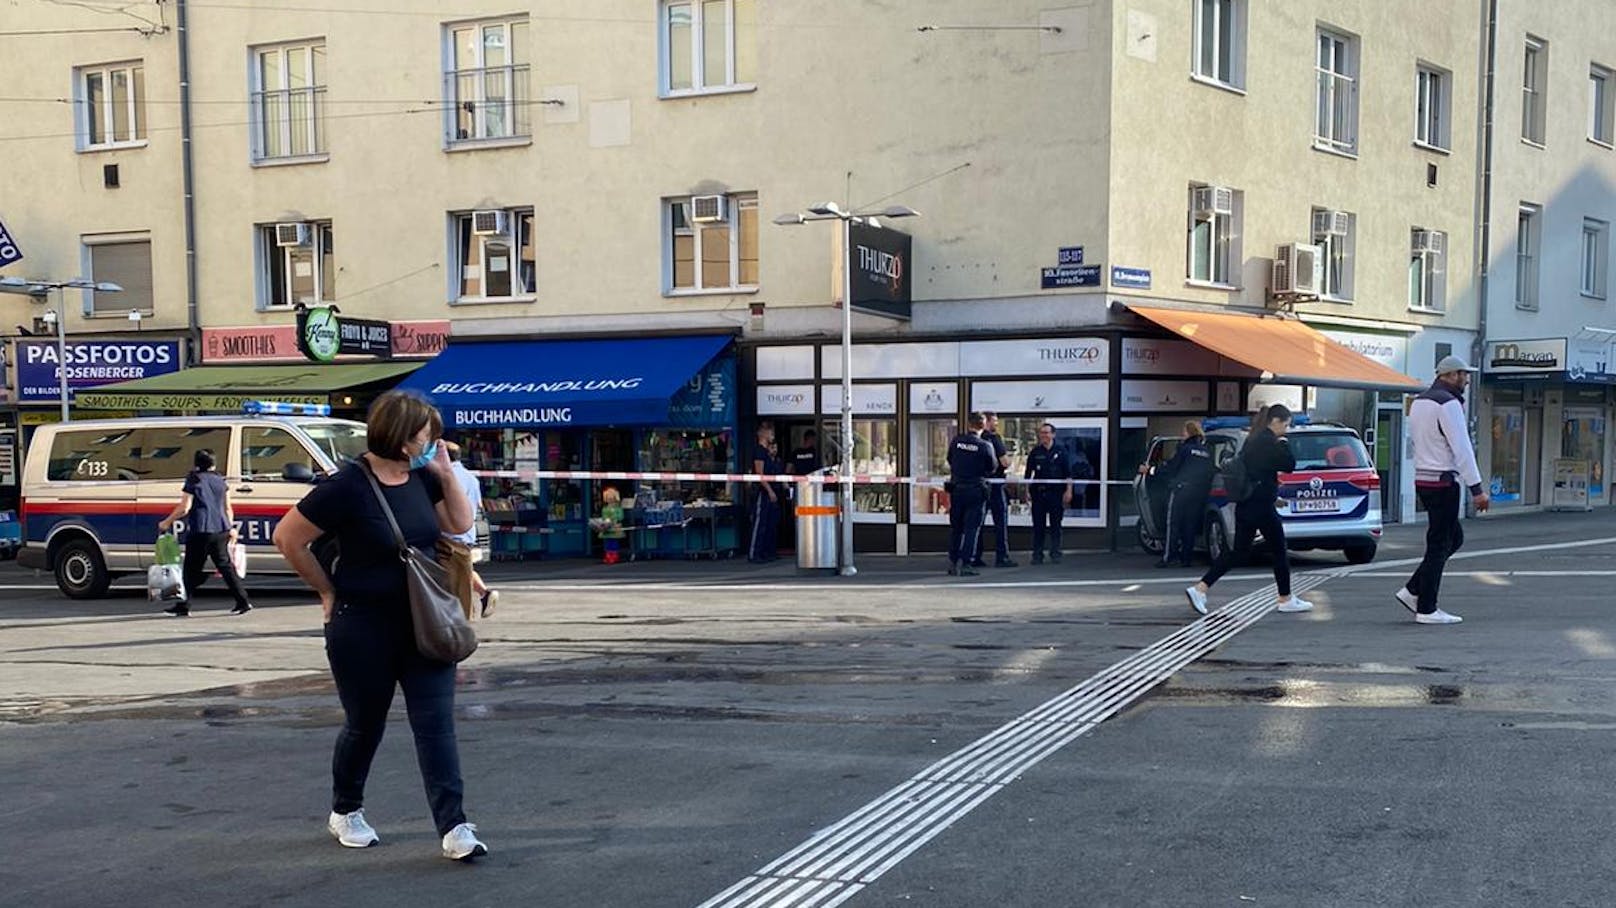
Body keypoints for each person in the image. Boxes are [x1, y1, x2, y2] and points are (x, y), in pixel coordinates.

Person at [271, 390, 487, 862]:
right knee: (365, 725)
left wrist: (445, 472)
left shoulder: (423, 477)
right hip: (362, 625)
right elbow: (288, 537)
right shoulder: (347, 485)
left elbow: (460, 523)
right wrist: (327, 592)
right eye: (428, 438)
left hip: (425, 622)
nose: (436, 445)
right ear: (404, 439)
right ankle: (346, 808)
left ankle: (454, 826)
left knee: (436, 727)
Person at [1185, 404, 1315, 617]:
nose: (1287, 430)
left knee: (1238, 552)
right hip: (1260, 506)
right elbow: (1289, 463)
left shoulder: (1253, 440)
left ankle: (1201, 588)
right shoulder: (1267, 441)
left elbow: (1262, 471)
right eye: (1286, 425)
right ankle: (1285, 598)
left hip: (1248, 504)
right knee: (1279, 549)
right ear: (1275, 421)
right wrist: (1283, 443)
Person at [1397, 355, 1489, 625]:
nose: (1467, 380)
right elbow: (1461, 447)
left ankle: (1414, 589)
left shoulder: (1421, 401)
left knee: (1451, 539)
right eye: (1463, 374)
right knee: (1440, 544)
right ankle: (1427, 608)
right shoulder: (1448, 404)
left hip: (1423, 479)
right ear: (1449, 375)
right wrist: (1477, 489)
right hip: (1443, 481)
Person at [156, 449, 252, 617]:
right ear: (213, 463)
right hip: (221, 529)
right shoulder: (220, 480)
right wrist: (230, 528)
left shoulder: (193, 480)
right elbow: (228, 507)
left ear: (196, 463)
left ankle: (183, 605)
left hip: (201, 529)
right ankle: (242, 601)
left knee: (190, 569)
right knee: (226, 567)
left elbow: (184, 507)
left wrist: (166, 522)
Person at [445, 442, 497, 617]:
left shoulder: (444, 476)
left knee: (451, 583)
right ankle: (484, 593)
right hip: (467, 534)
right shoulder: (471, 478)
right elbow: (479, 505)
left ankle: (459, 620)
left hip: (447, 536)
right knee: (464, 572)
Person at [1155, 421, 1215, 568]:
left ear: (1188, 432)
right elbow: (1210, 472)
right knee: (1190, 525)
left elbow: (1171, 468)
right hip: (1199, 494)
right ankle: (1186, 559)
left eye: (1183, 431)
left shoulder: (1184, 449)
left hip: (1182, 491)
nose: (1182, 434)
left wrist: (1152, 471)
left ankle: (1170, 557)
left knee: (1173, 524)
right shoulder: (1207, 452)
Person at [947, 412, 996, 577]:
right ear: (983, 425)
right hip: (975, 489)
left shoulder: (956, 441)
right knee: (971, 529)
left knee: (956, 528)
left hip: (957, 489)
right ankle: (967, 563)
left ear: (968, 424)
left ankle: (954, 563)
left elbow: (950, 459)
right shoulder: (984, 445)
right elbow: (992, 467)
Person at [1023, 423, 1073, 564]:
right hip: (1039, 494)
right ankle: (1037, 554)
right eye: (1042, 433)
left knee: (1055, 525)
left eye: (1046, 433)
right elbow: (1028, 474)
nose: (1044, 435)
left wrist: (1068, 491)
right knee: (1038, 526)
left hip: (1056, 494)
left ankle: (1055, 552)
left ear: (1053, 434)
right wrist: (1026, 492)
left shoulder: (1061, 451)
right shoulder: (1035, 452)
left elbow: (1068, 473)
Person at [973, 411, 1016, 567]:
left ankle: (975, 556)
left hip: (979, 484)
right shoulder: (994, 439)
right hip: (996, 486)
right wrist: (1010, 460)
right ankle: (1002, 556)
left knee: (978, 522)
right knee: (1000, 522)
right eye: (994, 422)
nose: (996, 425)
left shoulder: (975, 439)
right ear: (987, 422)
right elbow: (1004, 462)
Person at [748, 422, 782, 563]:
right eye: (771, 433)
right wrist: (769, 491)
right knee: (760, 523)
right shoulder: (760, 452)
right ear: (763, 433)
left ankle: (767, 552)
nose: (772, 436)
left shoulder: (767, 453)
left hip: (771, 491)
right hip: (763, 492)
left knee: (769, 523)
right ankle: (754, 553)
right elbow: (759, 474)